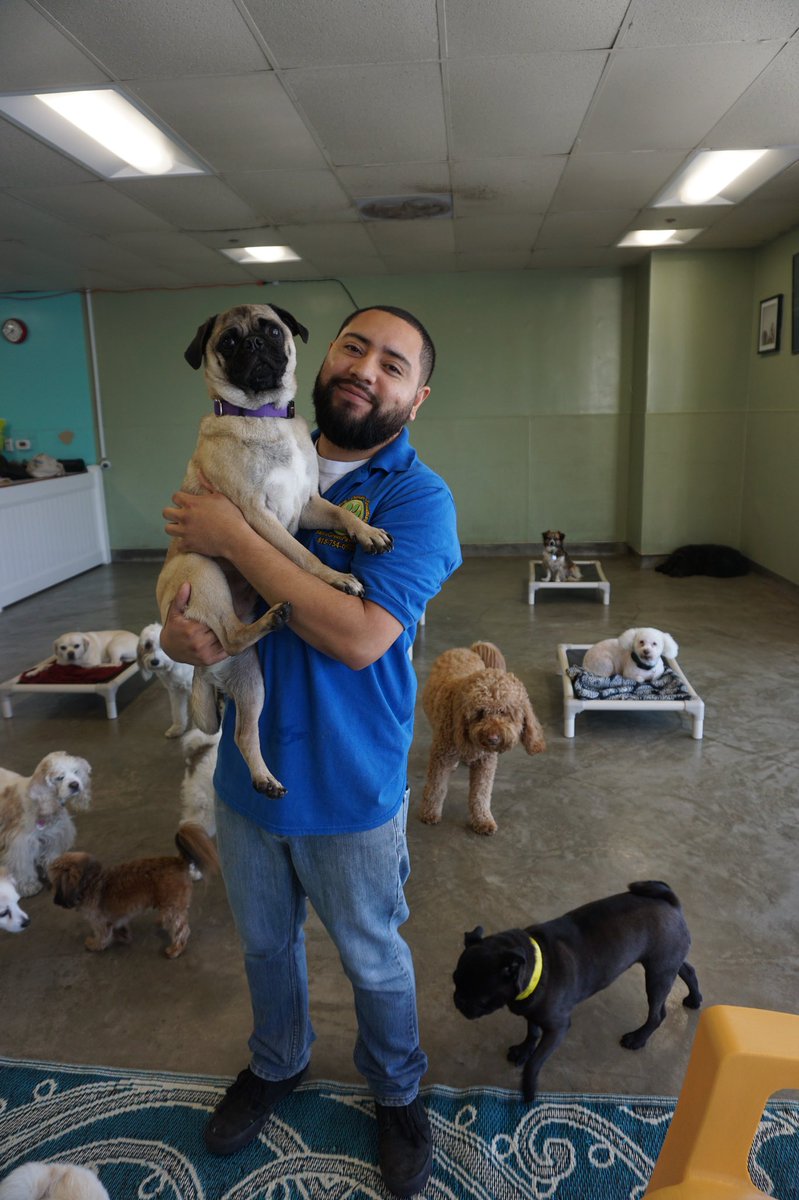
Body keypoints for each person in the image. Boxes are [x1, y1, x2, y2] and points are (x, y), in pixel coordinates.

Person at [160, 305, 461, 1198]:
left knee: (373, 955)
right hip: (249, 781)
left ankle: (397, 1089)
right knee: (263, 946)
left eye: (394, 364)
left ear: (416, 398)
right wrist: (182, 641)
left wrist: (235, 534)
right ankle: (279, 1060)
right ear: (321, 357)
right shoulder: (228, 454)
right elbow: (188, 594)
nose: (367, 368)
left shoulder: (416, 498)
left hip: (350, 779)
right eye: (355, 346)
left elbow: (359, 632)